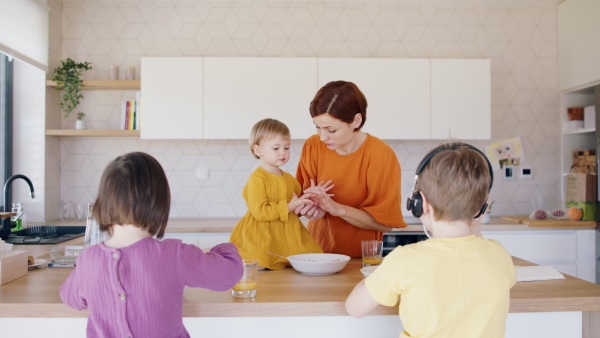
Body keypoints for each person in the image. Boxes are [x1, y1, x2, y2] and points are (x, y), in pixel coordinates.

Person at [60, 152, 243, 338]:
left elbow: (71, 299)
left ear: (104, 204)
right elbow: (230, 274)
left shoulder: (88, 260)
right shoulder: (174, 254)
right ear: (159, 204)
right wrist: (220, 248)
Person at [345, 142, 516, 338]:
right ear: (482, 208)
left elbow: (354, 308)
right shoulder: (498, 254)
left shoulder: (404, 260)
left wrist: (378, 277)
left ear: (420, 203)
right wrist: (474, 224)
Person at [296, 80, 407, 257]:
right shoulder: (312, 146)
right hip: (315, 257)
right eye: (318, 127)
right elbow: (296, 202)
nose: (323, 137)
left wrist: (338, 209)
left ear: (356, 121)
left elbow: (385, 223)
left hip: (361, 261)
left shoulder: (380, 155)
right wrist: (307, 207)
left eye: (331, 130)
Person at [229, 118, 327, 269]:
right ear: (258, 150)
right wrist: (289, 206)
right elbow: (260, 212)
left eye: (287, 147)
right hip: (262, 238)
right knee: (257, 264)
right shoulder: (257, 178)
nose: (283, 152)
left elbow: (296, 209)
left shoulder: (290, 179)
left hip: (288, 238)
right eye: (276, 148)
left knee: (315, 258)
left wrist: (311, 198)